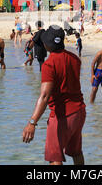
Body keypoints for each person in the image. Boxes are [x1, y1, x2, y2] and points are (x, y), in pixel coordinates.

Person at [22, 26, 86, 165]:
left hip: (62, 116)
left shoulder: (49, 65)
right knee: (76, 152)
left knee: (54, 157)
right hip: (79, 112)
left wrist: (32, 122)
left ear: (46, 45)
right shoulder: (75, 58)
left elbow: (44, 96)